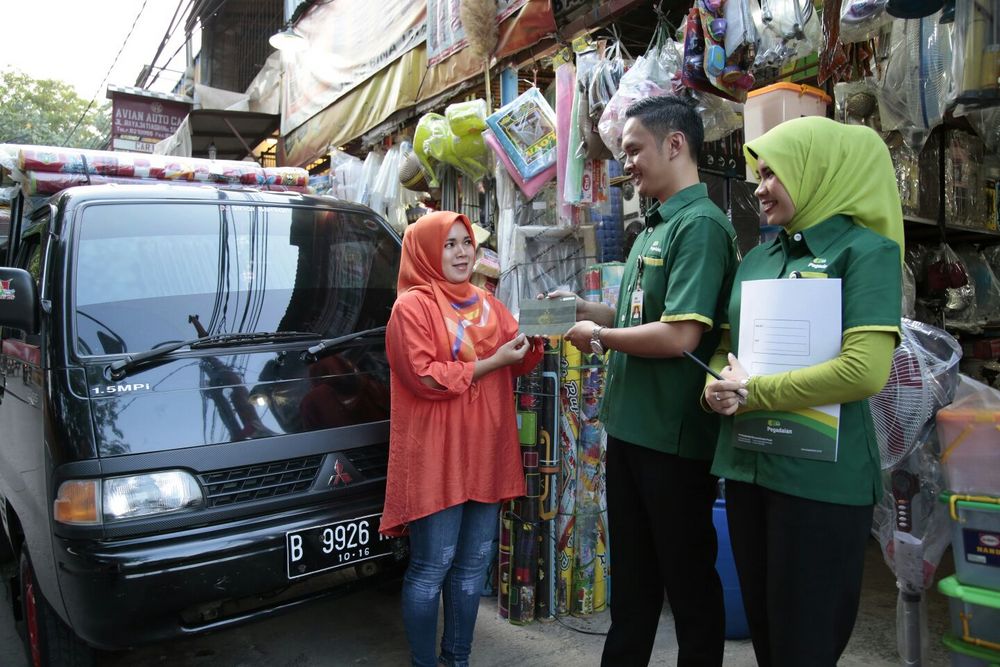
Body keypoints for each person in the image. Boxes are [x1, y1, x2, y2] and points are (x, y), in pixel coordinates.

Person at [704, 116, 903, 667]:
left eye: (774, 173)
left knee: (807, 644)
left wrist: (754, 393)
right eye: (758, 174)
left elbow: (865, 370)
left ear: (818, 172)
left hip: (822, 480)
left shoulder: (867, 253)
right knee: (768, 637)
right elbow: (728, 349)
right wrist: (713, 386)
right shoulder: (758, 259)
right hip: (749, 470)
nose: (759, 187)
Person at [560, 96, 740, 667]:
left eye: (634, 149)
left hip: (674, 438)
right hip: (631, 430)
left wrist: (600, 337)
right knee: (634, 583)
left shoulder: (702, 227)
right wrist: (586, 307)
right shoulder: (651, 227)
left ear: (675, 144)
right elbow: (640, 317)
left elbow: (682, 335)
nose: (626, 163)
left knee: (688, 583)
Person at [380, 211, 544, 667]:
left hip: (486, 449)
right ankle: (424, 663)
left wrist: (537, 335)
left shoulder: (488, 303)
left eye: (465, 242)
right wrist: (490, 362)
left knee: (472, 568)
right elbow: (423, 377)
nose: (460, 252)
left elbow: (519, 360)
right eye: (448, 244)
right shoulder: (411, 307)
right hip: (437, 455)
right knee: (432, 568)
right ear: (426, 252)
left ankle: (458, 659)